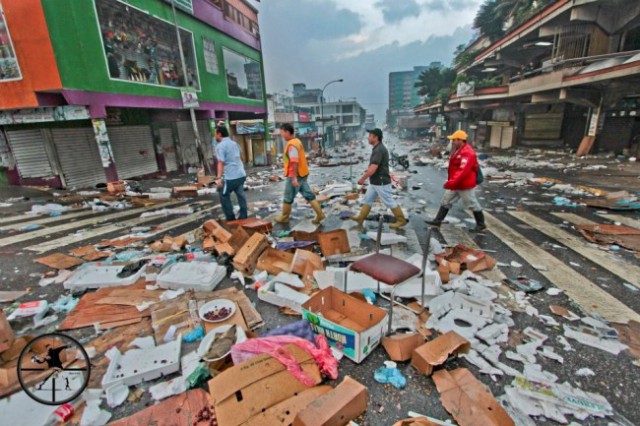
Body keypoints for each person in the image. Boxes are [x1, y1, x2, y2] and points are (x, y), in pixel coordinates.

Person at [426, 130, 486, 232]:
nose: (453, 141)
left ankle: (481, 224)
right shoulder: (459, 150)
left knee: (471, 203)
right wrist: (452, 182)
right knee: (446, 200)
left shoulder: (467, 152)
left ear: (460, 140)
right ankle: (437, 220)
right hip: (456, 183)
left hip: (464, 184)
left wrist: (451, 182)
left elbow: (463, 171)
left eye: (454, 140)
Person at [351, 128, 408, 229]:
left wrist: (363, 179)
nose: (368, 138)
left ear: (375, 137)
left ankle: (401, 220)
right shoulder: (377, 148)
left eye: (370, 136)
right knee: (368, 199)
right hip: (375, 182)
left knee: (389, 201)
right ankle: (361, 218)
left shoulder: (379, 149)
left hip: (381, 181)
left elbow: (374, 167)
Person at [274, 123, 325, 224]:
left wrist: (293, 178)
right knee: (309, 195)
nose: (281, 135)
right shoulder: (297, 141)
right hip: (302, 174)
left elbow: (294, 162)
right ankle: (320, 214)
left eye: (282, 133)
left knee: (288, 197)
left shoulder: (292, 145)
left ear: (287, 132)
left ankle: (284, 217)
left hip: (295, 175)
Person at [214, 125, 248, 221]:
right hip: (241, 174)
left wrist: (218, 178)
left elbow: (221, 162)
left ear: (219, 134)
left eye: (215, 134)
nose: (214, 136)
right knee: (240, 194)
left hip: (231, 176)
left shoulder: (220, 146)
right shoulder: (235, 144)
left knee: (223, 194)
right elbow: (242, 158)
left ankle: (230, 218)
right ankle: (243, 216)